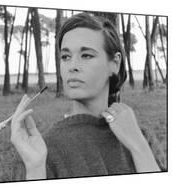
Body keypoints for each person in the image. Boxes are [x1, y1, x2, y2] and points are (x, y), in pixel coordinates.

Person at [9, 13, 165, 180]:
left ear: (115, 63)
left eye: (86, 55)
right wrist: (35, 168)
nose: (72, 66)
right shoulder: (41, 151)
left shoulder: (142, 137)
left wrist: (139, 147)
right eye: (65, 57)